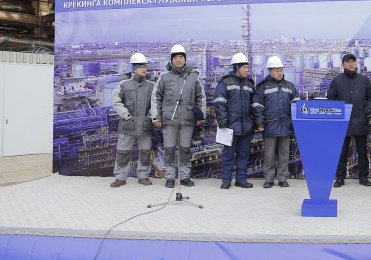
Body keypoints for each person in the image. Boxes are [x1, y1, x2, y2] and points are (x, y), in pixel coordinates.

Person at [151, 44, 206, 189]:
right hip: (169, 120)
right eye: (175, 58)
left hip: (187, 119)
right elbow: (156, 98)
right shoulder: (164, 78)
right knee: (169, 150)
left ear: (185, 59)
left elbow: (201, 98)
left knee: (185, 149)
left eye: (181, 57)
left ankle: (185, 177)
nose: (178, 60)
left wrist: (201, 116)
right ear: (171, 60)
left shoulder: (193, 78)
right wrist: (156, 117)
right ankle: (170, 177)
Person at [214, 53, 263, 189]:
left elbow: (255, 105)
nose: (247, 70)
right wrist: (223, 123)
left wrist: (259, 123)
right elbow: (219, 103)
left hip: (246, 127)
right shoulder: (225, 82)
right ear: (236, 67)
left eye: (247, 67)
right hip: (230, 127)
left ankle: (241, 180)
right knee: (228, 155)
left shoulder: (250, 84)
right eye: (244, 67)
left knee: (243, 154)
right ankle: (226, 180)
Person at [327, 53, 371, 187]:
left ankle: (363, 177)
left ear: (356, 63)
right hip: (343, 122)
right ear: (343, 64)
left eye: (353, 61)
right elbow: (330, 99)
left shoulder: (363, 80)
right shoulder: (337, 81)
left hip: (360, 120)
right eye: (348, 61)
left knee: (362, 151)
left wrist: (366, 112)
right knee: (342, 151)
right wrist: (339, 113)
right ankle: (340, 178)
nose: (351, 64)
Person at [109, 53, 156, 188]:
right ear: (134, 68)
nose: (144, 69)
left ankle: (143, 176)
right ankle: (120, 178)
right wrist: (126, 116)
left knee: (145, 152)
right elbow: (116, 101)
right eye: (141, 66)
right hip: (127, 124)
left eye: (145, 66)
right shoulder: (123, 84)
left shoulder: (152, 85)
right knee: (123, 152)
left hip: (145, 125)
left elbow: (156, 102)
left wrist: (150, 116)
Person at [253, 56, 299, 188]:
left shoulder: (289, 86)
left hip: (285, 125)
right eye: (277, 70)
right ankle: (269, 179)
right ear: (270, 71)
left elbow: (296, 105)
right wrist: (260, 123)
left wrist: (293, 123)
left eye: (281, 70)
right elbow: (257, 106)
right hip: (270, 125)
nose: (280, 72)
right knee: (269, 155)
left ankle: (282, 179)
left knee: (284, 154)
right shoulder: (262, 87)